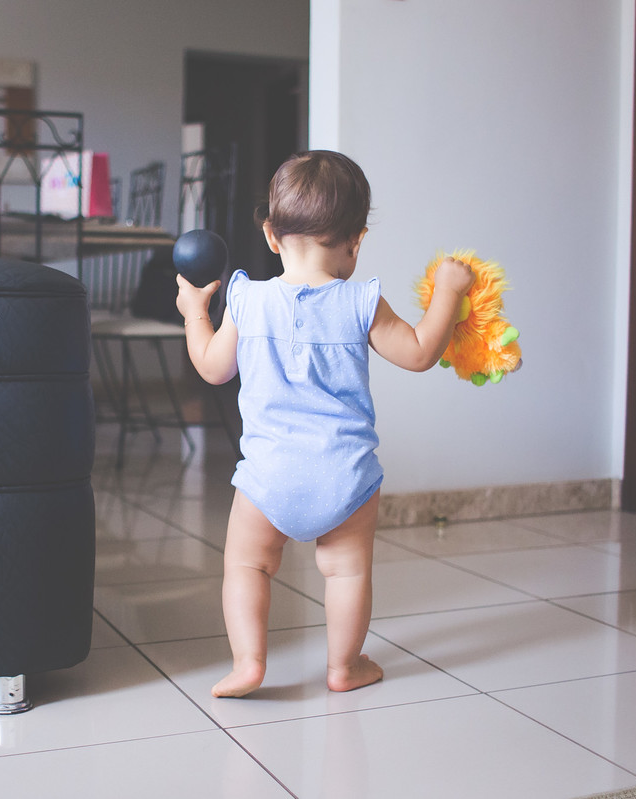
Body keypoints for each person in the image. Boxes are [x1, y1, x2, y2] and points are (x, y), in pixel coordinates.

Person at [176, 150, 475, 698]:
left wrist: (196, 311)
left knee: (247, 565)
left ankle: (248, 663)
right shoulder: (361, 303)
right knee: (346, 573)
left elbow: (213, 369)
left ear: (270, 235)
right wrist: (450, 292)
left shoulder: (248, 298)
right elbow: (419, 353)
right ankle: (345, 665)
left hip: (268, 478)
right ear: (356, 241)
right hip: (345, 475)